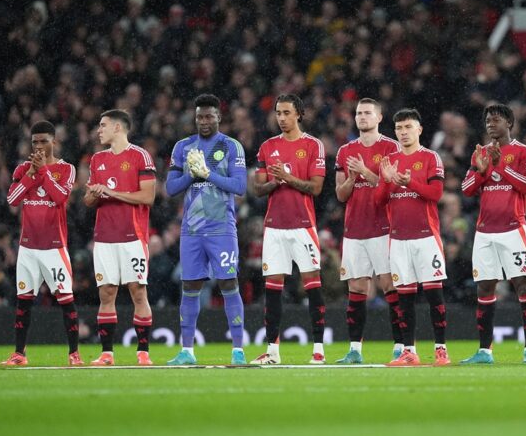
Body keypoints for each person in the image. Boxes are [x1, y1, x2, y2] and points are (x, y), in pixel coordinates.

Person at [165, 94, 248, 366]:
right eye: (200, 116)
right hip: (192, 230)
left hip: (222, 228)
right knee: (189, 285)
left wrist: (208, 173)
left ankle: (238, 350)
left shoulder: (231, 146)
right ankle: (187, 351)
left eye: (209, 116)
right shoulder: (183, 146)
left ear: (219, 117)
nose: (204, 121)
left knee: (228, 283)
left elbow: (240, 187)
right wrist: (191, 174)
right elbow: (170, 188)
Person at [251, 94, 327, 365]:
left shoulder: (313, 146)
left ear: (299, 114)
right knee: (272, 289)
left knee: (313, 286)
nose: (281, 118)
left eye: (286, 113)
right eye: (278, 113)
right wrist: (275, 182)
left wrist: (288, 178)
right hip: (274, 228)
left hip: (303, 226)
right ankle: (272, 352)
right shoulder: (267, 147)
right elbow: (257, 189)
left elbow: (316, 188)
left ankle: (318, 349)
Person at [460, 103, 526, 364]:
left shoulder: (521, 151)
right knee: (484, 287)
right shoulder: (480, 153)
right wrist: (482, 171)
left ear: (509, 124)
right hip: (485, 232)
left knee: (522, 284)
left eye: (496, 120)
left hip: (513, 229)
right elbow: (467, 189)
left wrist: (500, 166)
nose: (491, 124)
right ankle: (485, 351)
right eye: (487, 121)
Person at [1, 121, 81, 366]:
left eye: (44, 141)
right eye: (35, 141)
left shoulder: (67, 169)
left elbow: (60, 197)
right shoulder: (23, 169)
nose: (39, 146)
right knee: (23, 301)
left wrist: (43, 171)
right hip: (28, 248)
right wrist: (30, 174)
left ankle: (74, 354)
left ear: (54, 142)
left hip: (54, 247)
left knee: (66, 300)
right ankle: (19, 354)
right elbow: (12, 200)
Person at [378, 108, 450, 367]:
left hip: (425, 237)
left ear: (419, 129)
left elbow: (436, 194)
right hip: (398, 238)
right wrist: (386, 181)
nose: (403, 132)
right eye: (399, 128)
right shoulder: (389, 160)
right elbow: (378, 201)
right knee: (404, 297)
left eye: (408, 127)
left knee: (433, 295)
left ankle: (441, 349)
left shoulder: (431, 158)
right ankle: (409, 350)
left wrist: (410, 183)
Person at [84, 110, 156, 366]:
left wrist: (112, 193)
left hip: (132, 237)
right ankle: (107, 354)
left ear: (117, 127)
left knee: (138, 292)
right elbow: (89, 201)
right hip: (104, 237)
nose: (98, 130)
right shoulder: (97, 159)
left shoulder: (139, 156)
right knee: (106, 293)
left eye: (102, 125)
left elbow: (147, 197)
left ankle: (143, 352)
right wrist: (94, 194)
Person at [333, 98, 403, 364]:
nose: (362, 117)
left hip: (384, 227)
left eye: (367, 113)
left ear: (379, 118)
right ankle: (354, 350)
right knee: (357, 287)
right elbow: (340, 195)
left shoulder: (391, 148)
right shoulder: (345, 151)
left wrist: (365, 172)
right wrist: (352, 179)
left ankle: (400, 346)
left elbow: (395, 188)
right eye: (359, 113)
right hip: (354, 228)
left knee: (390, 285)